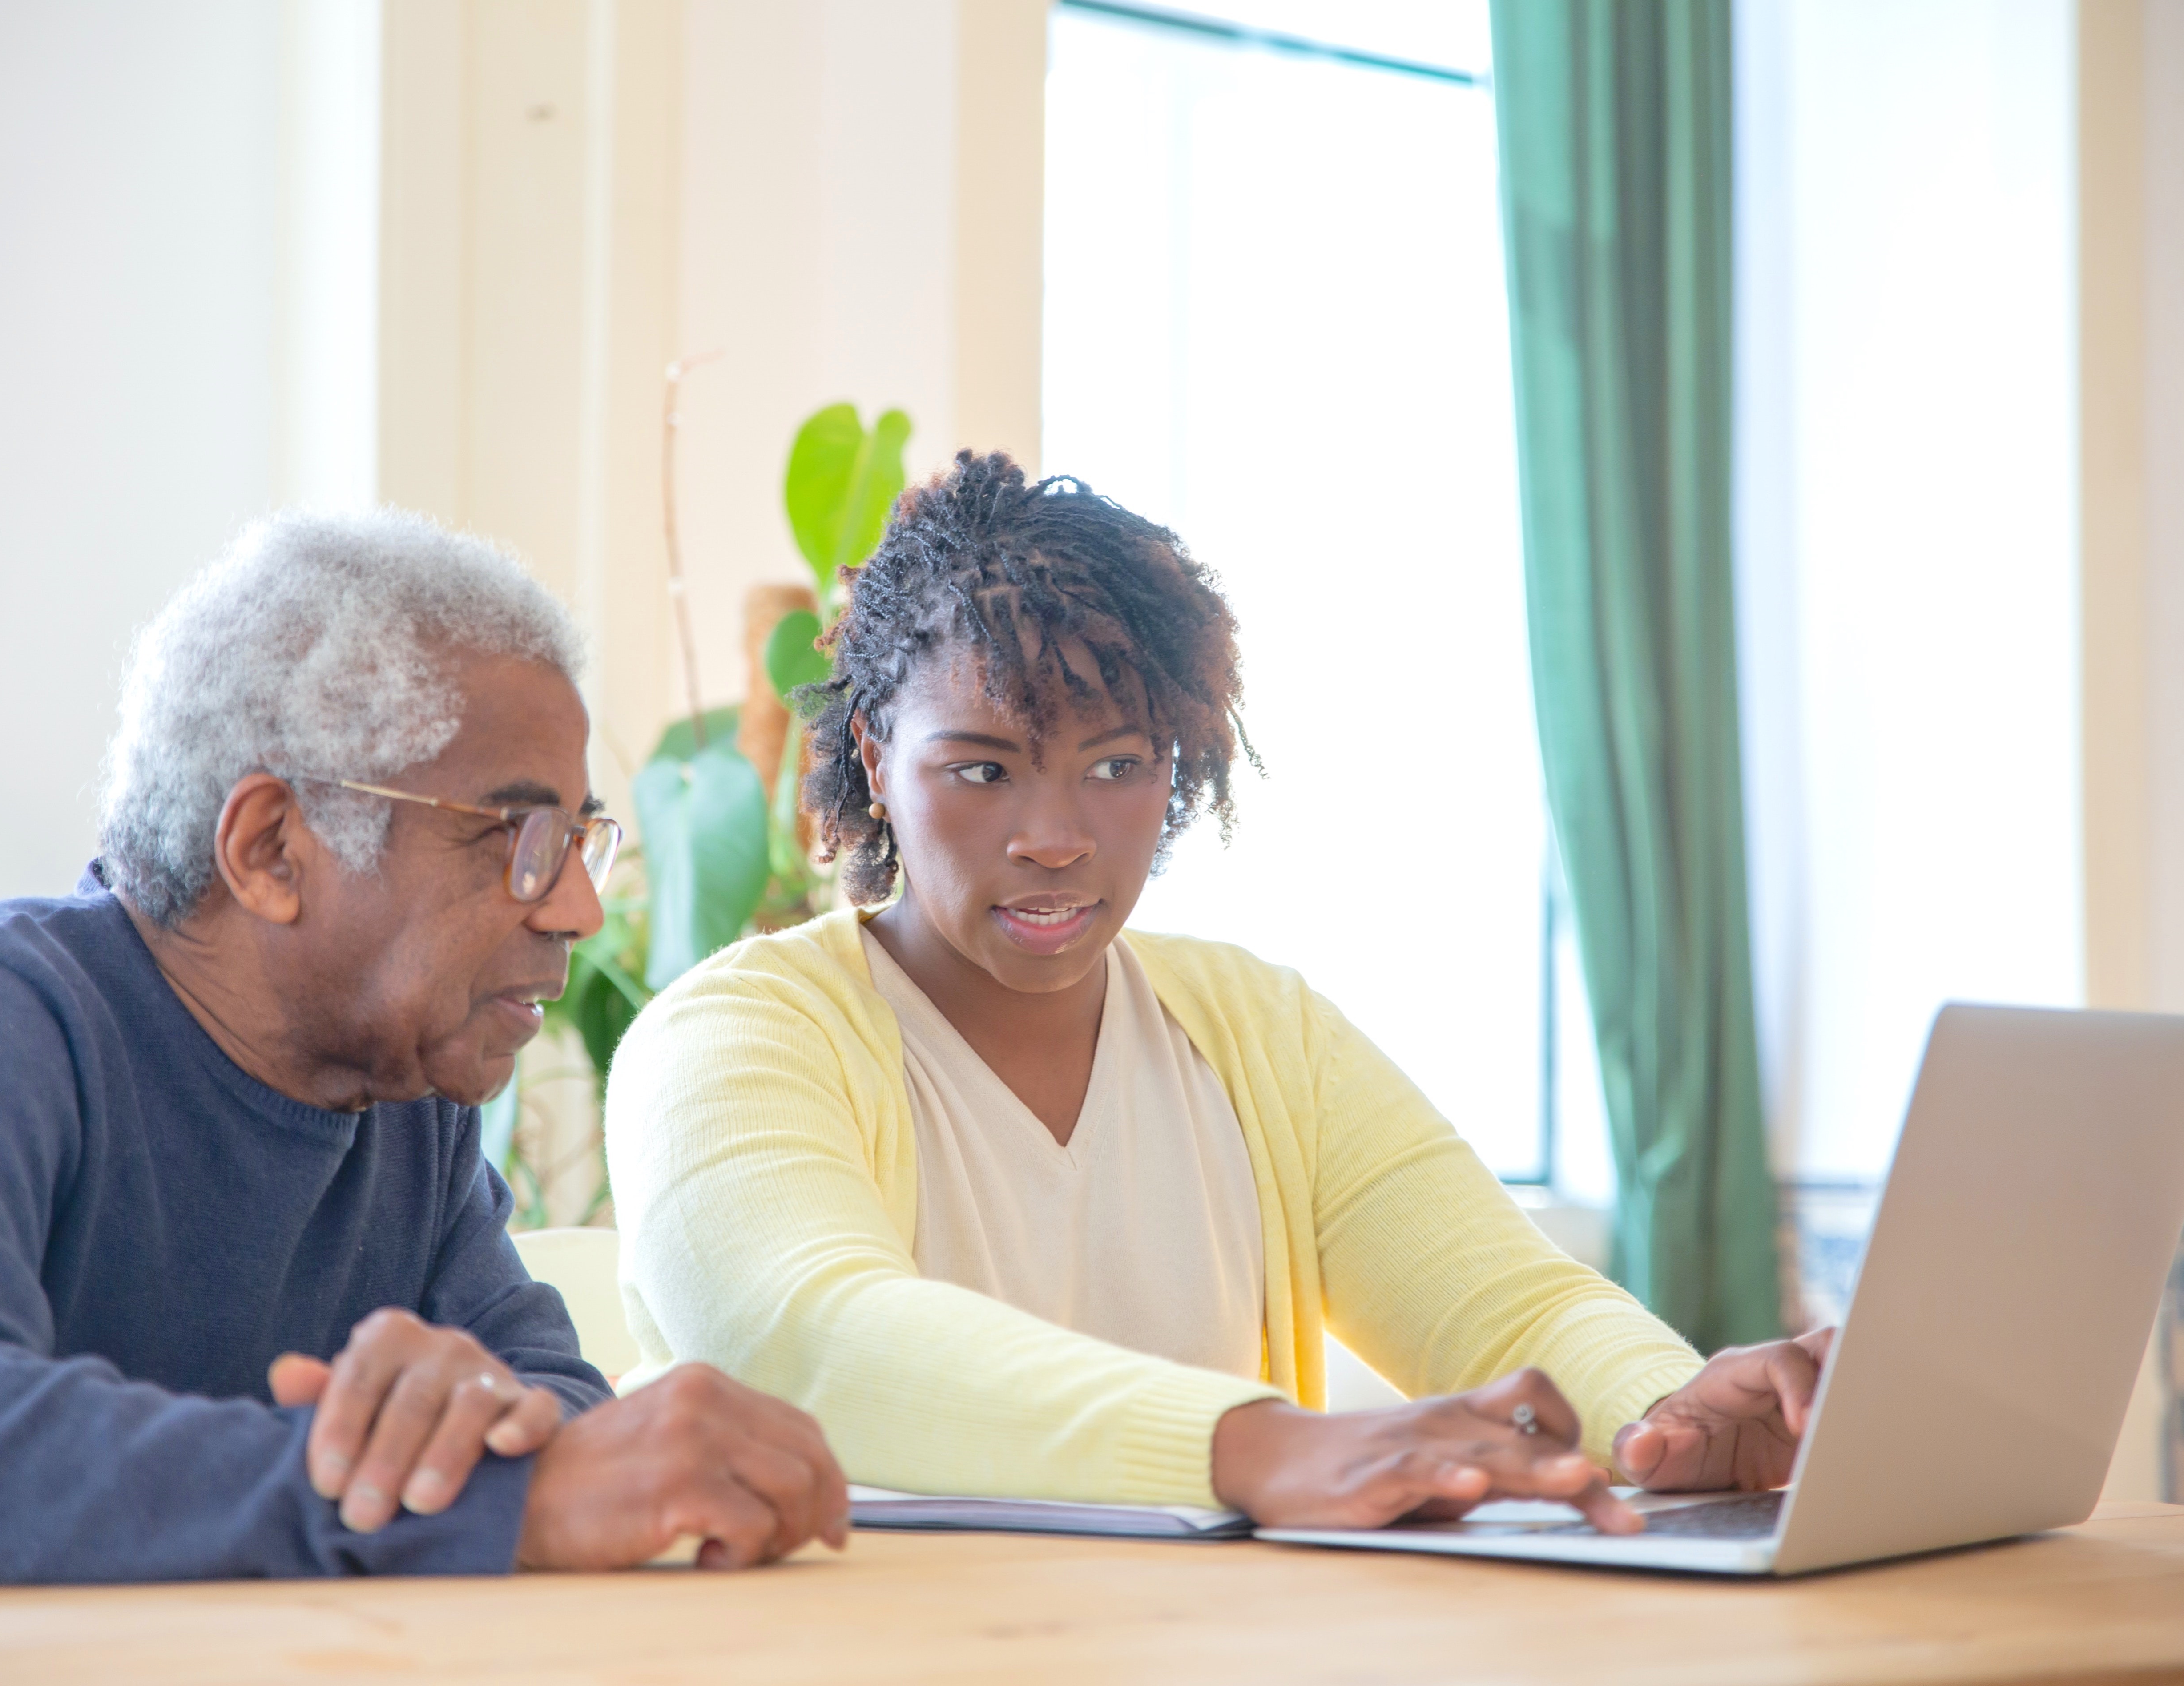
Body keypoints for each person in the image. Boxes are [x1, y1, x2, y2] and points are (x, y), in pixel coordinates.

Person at [607, 454, 1834, 1532]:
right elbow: (808, 1339)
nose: (1055, 837)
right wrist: (1259, 1447)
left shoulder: (1261, 1033)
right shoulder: (732, 1041)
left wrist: (1670, 1419)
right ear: (875, 758)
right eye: (981, 769)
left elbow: (1504, 1303)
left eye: (1118, 767)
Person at [0, 513, 847, 1581]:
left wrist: (487, 1441)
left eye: (577, 842)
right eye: (518, 840)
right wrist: (465, 1500)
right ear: (271, 848)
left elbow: (550, 1395)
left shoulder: (406, 1098)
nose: (575, 912)